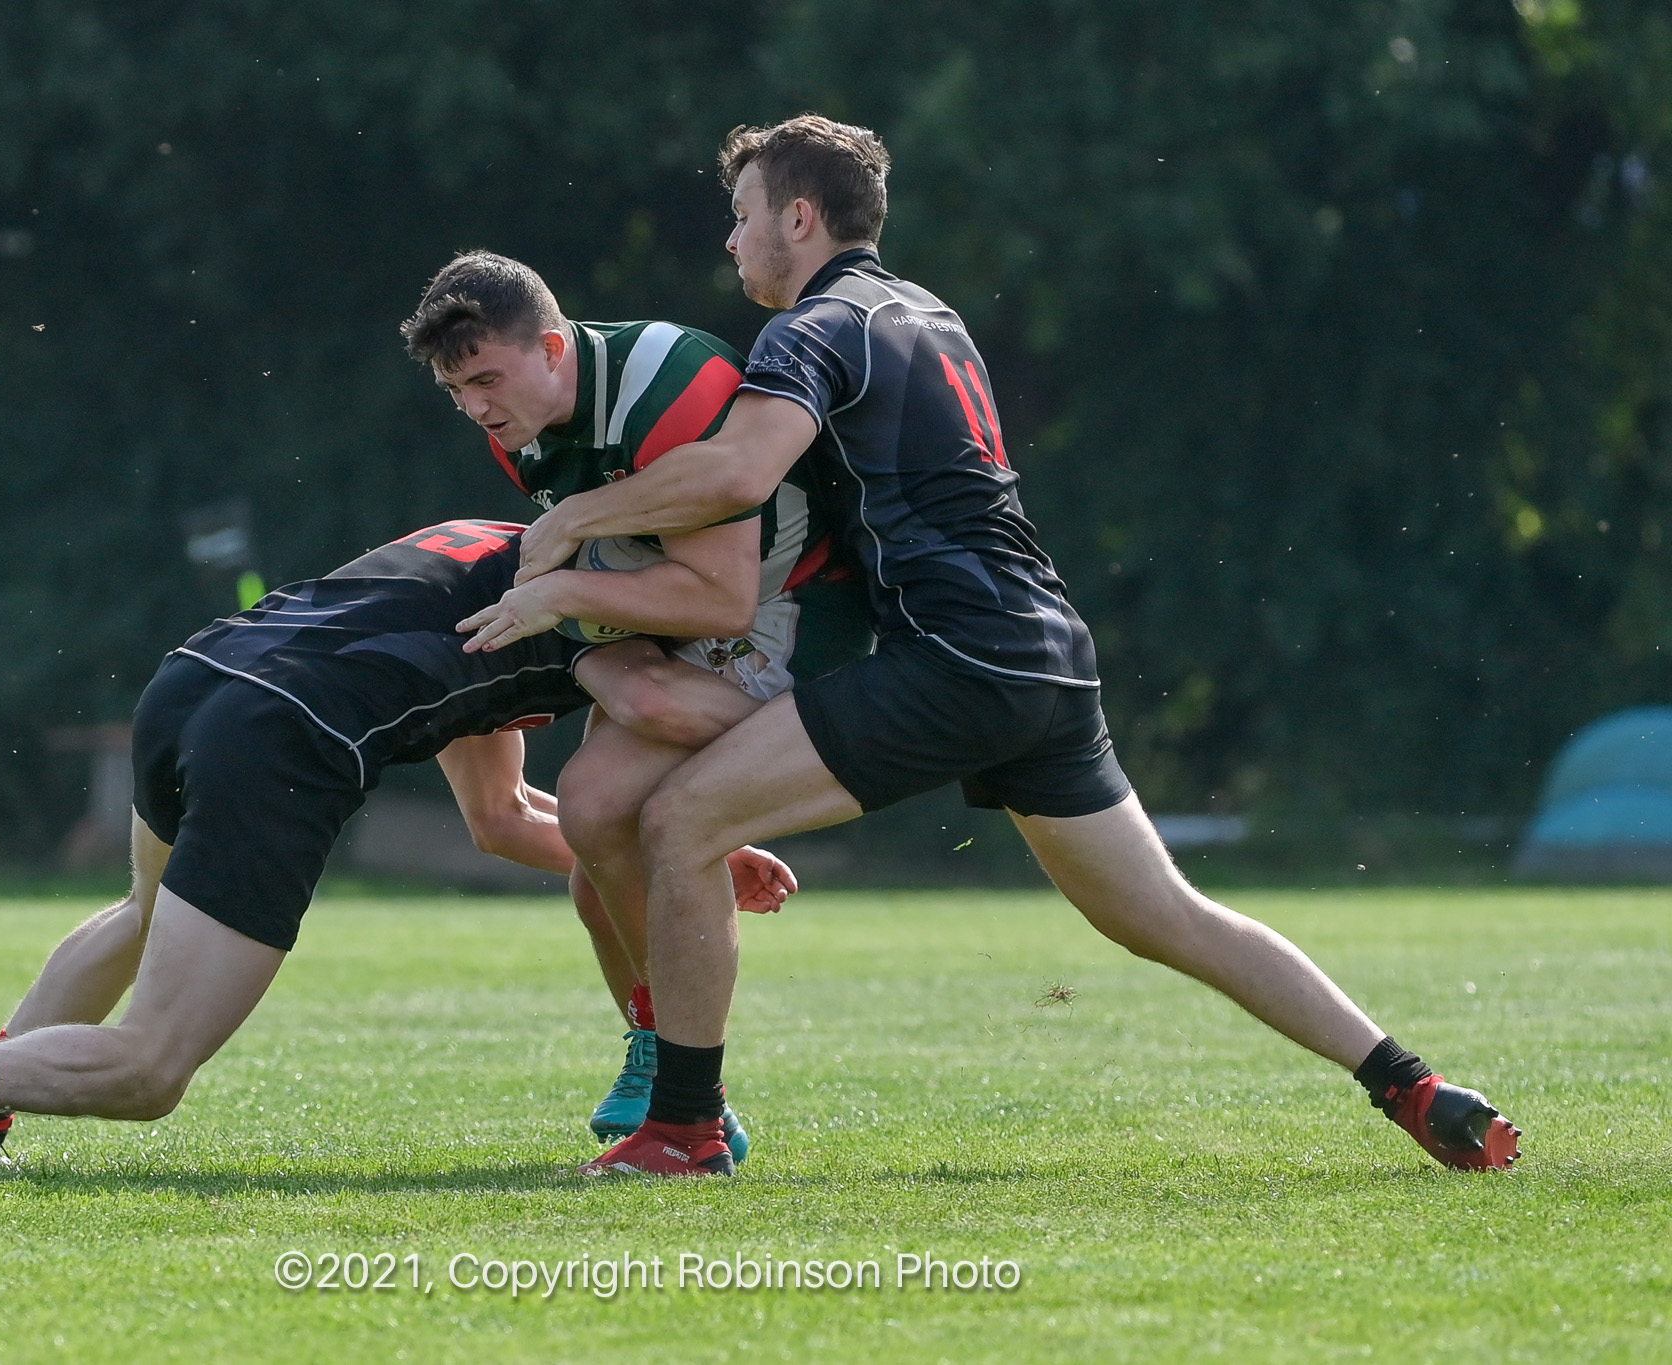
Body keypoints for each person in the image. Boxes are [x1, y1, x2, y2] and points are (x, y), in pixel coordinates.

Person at [499, 115, 1521, 1177]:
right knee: (1163, 914)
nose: (731, 241)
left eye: (742, 216)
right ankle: (1410, 1084)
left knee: (678, 819)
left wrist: (572, 521)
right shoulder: (928, 313)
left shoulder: (811, 328)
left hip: (955, 656)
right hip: (1044, 650)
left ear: (798, 219)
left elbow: (738, 473)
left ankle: (683, 1129)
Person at [0, 521, 794, 1177]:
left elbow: (498, 814)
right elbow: (555, 799)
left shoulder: (503, 549)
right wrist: (675, 843)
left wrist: (637, 849)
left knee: (141, 910)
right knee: (150, 1069)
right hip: (279, 739)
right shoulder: (601, 618)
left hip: (198, 676)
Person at [398, 252, 868, 1150]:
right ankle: (670, 1065)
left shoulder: (665, 381)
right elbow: (631, 568)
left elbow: (721, 600)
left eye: (488, 378)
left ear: (550, 344)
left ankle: (678, 1076)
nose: (477, 408)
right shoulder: (518, 432)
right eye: (457, 389)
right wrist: (588, 641)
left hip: (796, 610)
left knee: (607, 798)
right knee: (591, 837)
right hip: (695, 616)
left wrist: (569, 596)